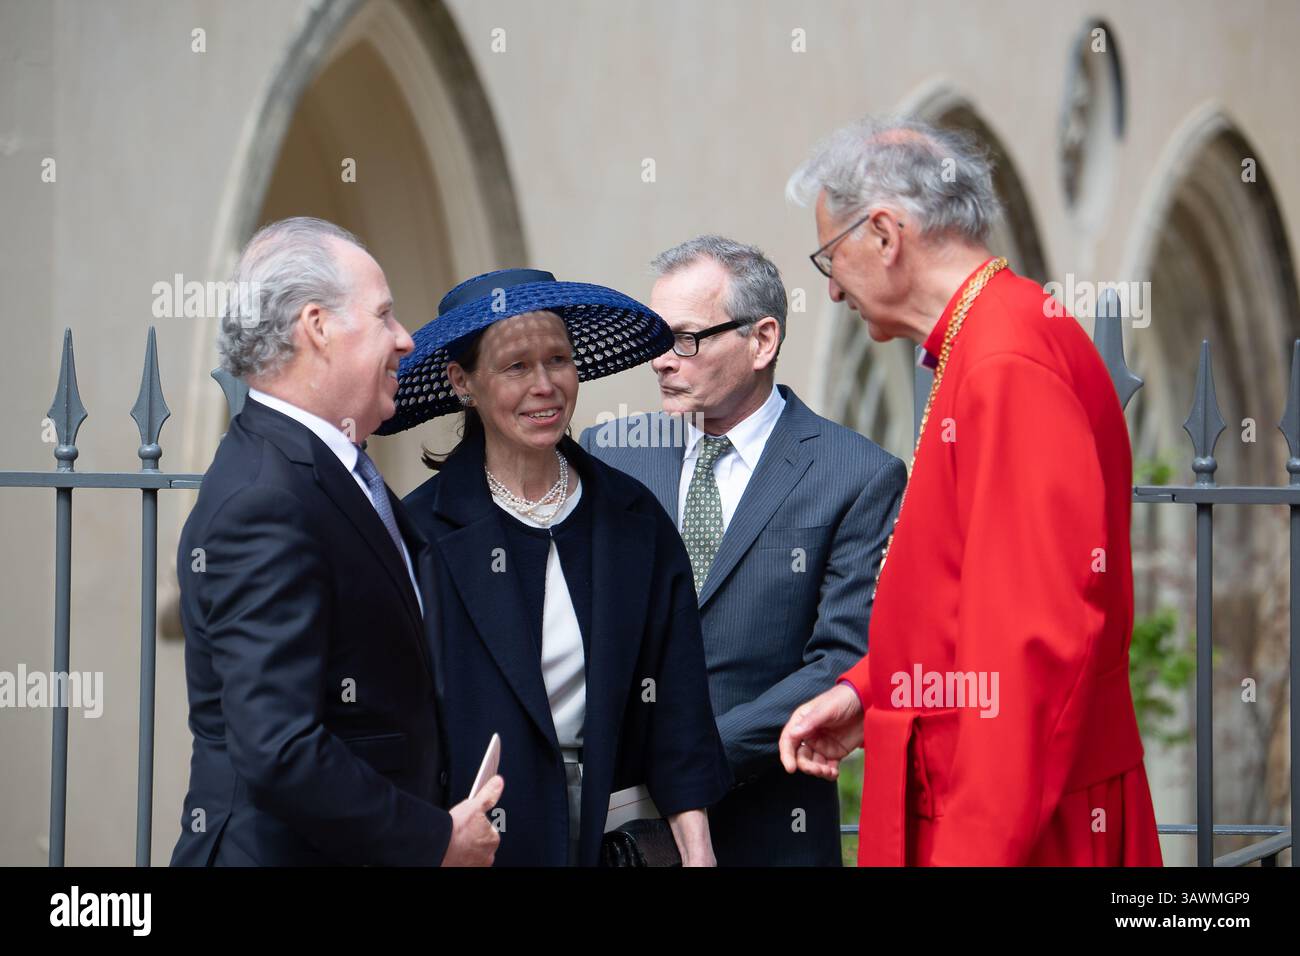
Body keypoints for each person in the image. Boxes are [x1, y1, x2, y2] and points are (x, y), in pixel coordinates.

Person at [777, 117, 1163, 866]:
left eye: (832, 255)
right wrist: (871, 690)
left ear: (886, 234)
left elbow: (1030, 648)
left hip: (1018, 823)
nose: (830, 289)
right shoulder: (988, 335)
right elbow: (963, 594)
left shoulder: (1004, 359)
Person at [171, 217, 501, 866]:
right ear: (317, 327)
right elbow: (279, 747)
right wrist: (435, 840)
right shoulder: (264, 499)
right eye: (385, 315)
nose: (406, 341)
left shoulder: (330, 466)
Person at [379, 268, 732, 866]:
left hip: (612, 838)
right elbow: (395, 725)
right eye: (516, 366)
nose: (544, 385)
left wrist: (697, 852)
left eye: (558, 360)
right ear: (462, 381)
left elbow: (677, 707)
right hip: (473, 841)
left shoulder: (632, 518)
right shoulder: (420, 533)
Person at [580, 236, 906, 865]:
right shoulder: (610, 453)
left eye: (683, 339)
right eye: (655, 340)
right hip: (619, 835)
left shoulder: (855, 474)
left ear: (761, 340)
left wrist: (686, 761)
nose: (661, 362)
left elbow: (839, 659)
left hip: (770, 828)